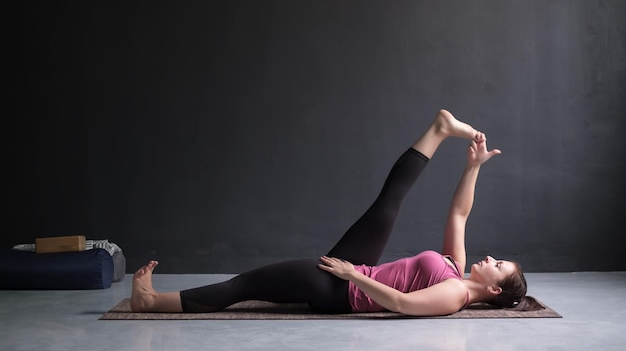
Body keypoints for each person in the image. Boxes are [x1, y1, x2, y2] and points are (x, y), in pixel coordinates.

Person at [130, 109, 543, 315]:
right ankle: (439, 129)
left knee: (246, 285)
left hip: (341, 288)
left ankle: (151, 303)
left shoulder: (454, 294)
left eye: (499, 265)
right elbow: (458, 215)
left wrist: (349, 275)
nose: (491, 258)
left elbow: (400, 303)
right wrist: (472, 167)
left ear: (493, 290)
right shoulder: (456, 268)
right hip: (359, 271)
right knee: (388, 204)